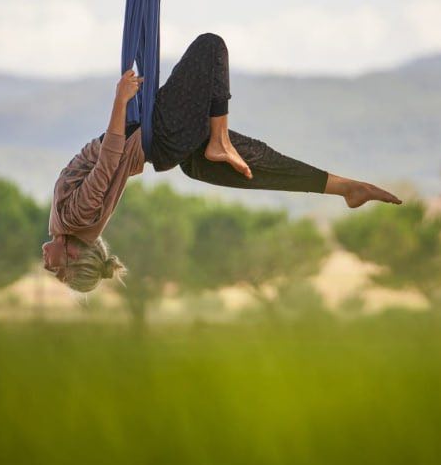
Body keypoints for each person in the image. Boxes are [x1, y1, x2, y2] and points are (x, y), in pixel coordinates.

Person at [42, 32, 401, 291]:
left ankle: (345, 189)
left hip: (166, 147)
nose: (48, 268)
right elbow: (108, 162)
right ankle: (219, 139)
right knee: (210, 47)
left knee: (256, 165)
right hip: (160, 136)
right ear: (74, 255)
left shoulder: (67, 225)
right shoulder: (75, 219)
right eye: (60, 273)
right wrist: (120, 102)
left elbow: (107, 167)